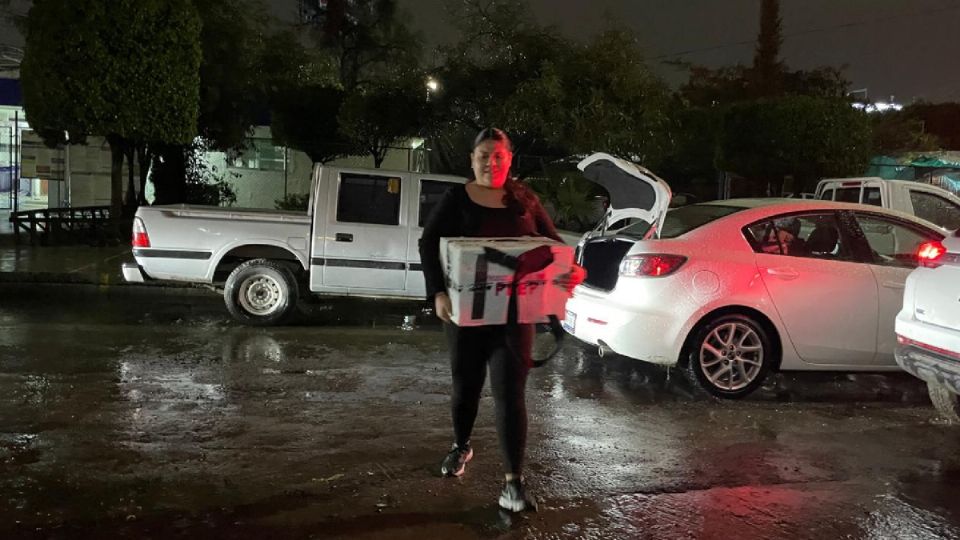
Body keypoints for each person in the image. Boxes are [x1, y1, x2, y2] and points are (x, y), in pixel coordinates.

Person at [419, 128, 584, 512]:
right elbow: (428, 243)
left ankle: (513, 484)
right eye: (483, 156)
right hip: (465, 317)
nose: (490, 163)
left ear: (509, 160)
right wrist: (437, 293)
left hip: (515, 317)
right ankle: (461, 445)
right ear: (472, 159)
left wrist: (570, 272)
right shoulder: (456, 199)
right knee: (466, 387)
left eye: (498, 157)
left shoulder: (524, 199)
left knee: (510, 394)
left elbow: (554, 245)